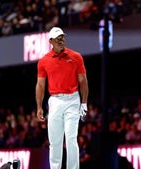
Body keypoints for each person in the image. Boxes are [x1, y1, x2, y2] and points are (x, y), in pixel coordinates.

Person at [35, 26, 89, 169]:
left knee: (71, 138)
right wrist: (39, 107)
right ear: (51, 41)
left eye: (62, 37)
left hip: (73, 99)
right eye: (58, 38)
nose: (61, 40)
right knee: (55, 141)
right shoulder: (43, 61)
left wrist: (84, 103)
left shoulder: (76, 57)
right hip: (55, 101)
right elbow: (40, 85)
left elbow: (83, 81)